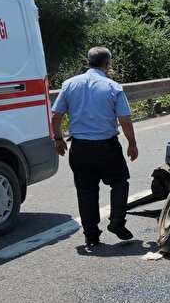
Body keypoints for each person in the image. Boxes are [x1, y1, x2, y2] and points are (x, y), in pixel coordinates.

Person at [50, 47, 139, 248]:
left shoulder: (69, 84)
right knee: (119, 182)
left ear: (88, 62)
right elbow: (124, 119)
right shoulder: (113, 87)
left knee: (86, 191)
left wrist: (58, 139)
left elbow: (56, 116)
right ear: (107, 65)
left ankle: (91, 236)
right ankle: (117, 222)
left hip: (80, 149)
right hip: (107, 147)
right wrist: (132, 144)